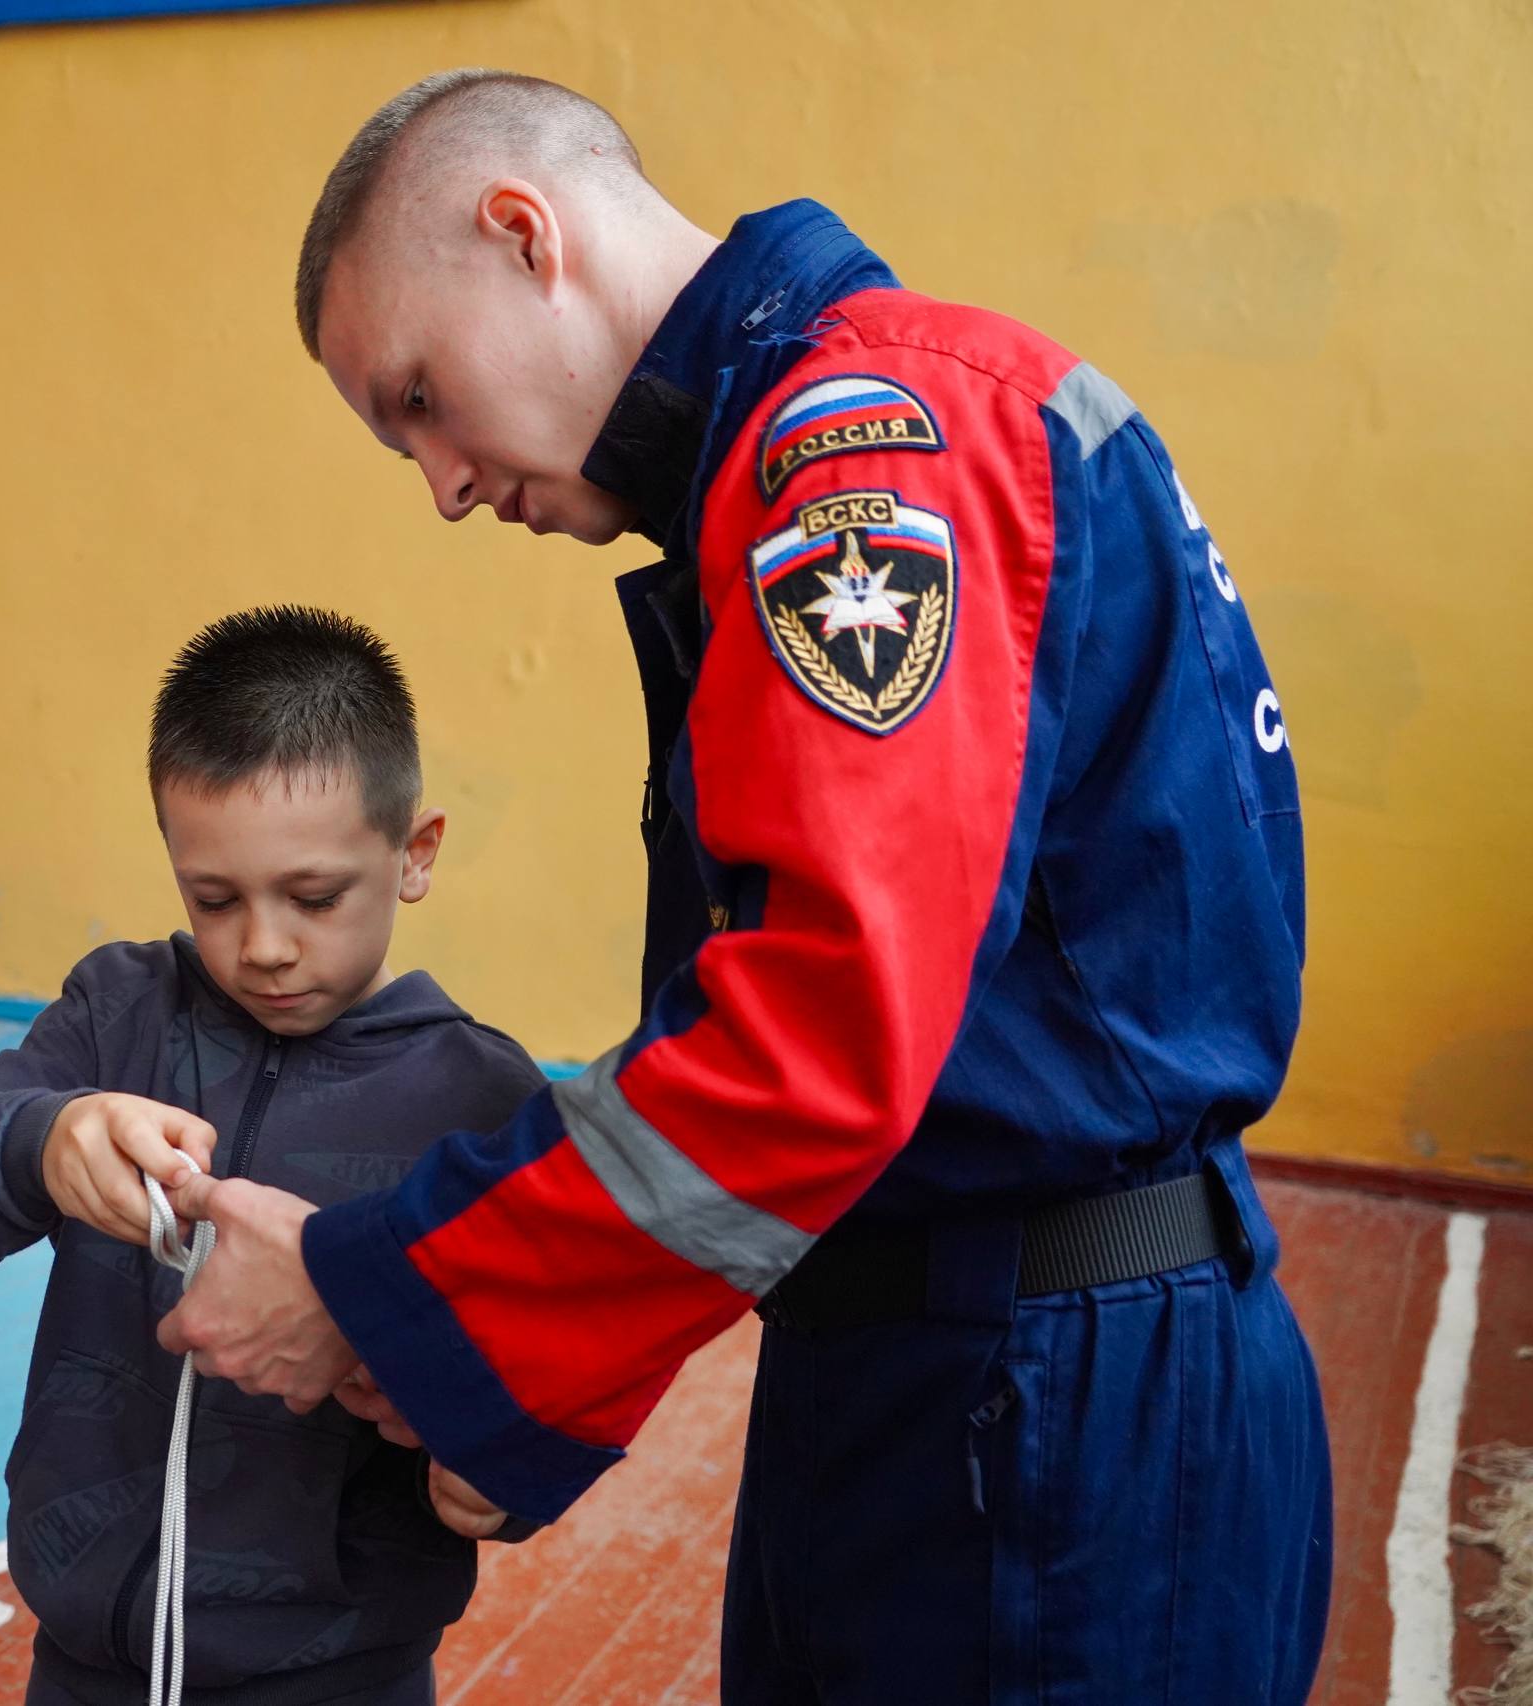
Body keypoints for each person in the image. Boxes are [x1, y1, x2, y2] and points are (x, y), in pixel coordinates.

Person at [159, 70, 1330, 1704]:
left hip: (1034, 1413)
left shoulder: (862, 455)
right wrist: (525, 1370)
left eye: (417, 397)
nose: (439, 483)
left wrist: (383, 1299)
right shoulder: (867, 437)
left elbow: (820, 1039)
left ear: (524, 235)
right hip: (950, 1362)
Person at [0, 606, 546, 1706]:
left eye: (314, 897)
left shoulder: (481, 1102)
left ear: (413, 853)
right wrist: (44, 1139)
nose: (263, 945)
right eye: (213, 897)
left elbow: (533, 1409)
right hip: (83, 1663)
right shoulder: (117, 1014)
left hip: (340, 1679)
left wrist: (491, 1459)